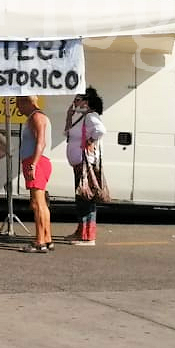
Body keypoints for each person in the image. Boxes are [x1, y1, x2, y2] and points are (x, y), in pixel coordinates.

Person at [65, 89, 107, 246]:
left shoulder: (90, 116)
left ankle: (88, 236)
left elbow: (100, 130)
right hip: (78, 163)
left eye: (78, 99)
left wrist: (89, 141)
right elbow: (67, 132)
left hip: (85, 164)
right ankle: (80, 231)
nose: (75, 102)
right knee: (81, 197)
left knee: (86, 198)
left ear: (86, 102)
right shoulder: (82, 117)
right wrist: (69, 115)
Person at [16, 95, 53, 253]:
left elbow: (41, 142)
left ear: (27, 102)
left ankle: (40, 241)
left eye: (19, 104)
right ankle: (47, 238)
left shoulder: (37, 116)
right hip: (36, 161)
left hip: (37, 162)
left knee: (38, 204)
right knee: (40, 202)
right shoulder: (36, 116)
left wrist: (33, 164)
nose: (18, 108)